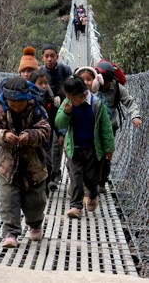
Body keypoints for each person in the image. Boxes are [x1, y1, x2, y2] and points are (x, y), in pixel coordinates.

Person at [0, 76, 51, 248]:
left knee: (36, 200)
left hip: (34, 165)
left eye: (19, 103)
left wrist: (30, 136)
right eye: (12, 103)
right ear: (6, 99)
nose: (16, 107)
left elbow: (45, 130)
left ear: (27, 99)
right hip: (8, 167)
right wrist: (3, 135)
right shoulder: (1, 110)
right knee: (8, 200)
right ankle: (10, 233)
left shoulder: (36, 110)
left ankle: (35, 222)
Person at [55, 76, 115, 218]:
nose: (70, 100)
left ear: (84, 94)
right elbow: (59, 123)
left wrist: (109, 148)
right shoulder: (67, 104)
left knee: (91, 178)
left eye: (73, 98)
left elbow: (105, 128)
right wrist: (66, 112)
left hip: (93, 149)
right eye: (67, 97)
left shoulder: (97, 104)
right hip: (74, 148)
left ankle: (92, 195)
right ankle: (76, 206)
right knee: (76, 178)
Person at [94, 60, 142, 192]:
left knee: (106, 154)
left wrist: (135, 116)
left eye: (109, 82)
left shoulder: (116, 87)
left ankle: (102, 182)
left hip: (109, 126)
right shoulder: (90, 84)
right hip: (92, 126)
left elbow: (130, 101)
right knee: (92, 154)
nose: (106, 84)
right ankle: (92, 182)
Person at [39, 43, 72, 189]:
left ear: (57, 57)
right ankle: (49, 173)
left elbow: (70, 88)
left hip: (61, 111)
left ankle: (56, 173)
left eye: (52, 56)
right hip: (45, 111)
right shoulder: (39, 72)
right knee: (46, 142)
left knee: (58, 142)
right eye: (47, 56)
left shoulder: (65, 70)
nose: (50, 59)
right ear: (42, 58)